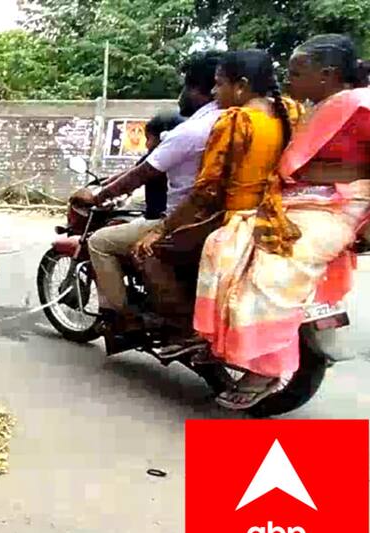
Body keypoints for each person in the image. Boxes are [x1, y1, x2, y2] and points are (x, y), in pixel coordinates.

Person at [193, 35, 370, 409]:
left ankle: (267, 368)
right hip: (298, 202)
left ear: (327, 75)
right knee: (224, 245)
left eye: (297, 73)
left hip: (338, 208)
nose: (288, 80)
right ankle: (223, 341)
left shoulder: (360, 107)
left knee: (272, 268)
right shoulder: (315, 107)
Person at [134, 50, 300, 339]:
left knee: (148, 253)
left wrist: (161, 230)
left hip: (232, 219)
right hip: (272, 213)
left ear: (241, 86)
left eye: (220, 84)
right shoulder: (289, 112)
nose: (214, 92)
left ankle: (184, 331)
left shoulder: (235, 121)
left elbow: (207, 191)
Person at [71, 51, 224, 330]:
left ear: (196, 89)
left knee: (99, 242)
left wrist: (98, 196)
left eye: (184, 87)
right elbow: (138, 168)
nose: (180, 96)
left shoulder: (190, 131)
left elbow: (140, 173)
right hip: (217, 216)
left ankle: (125, 318)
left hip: (182, 221)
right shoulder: (228, 121)